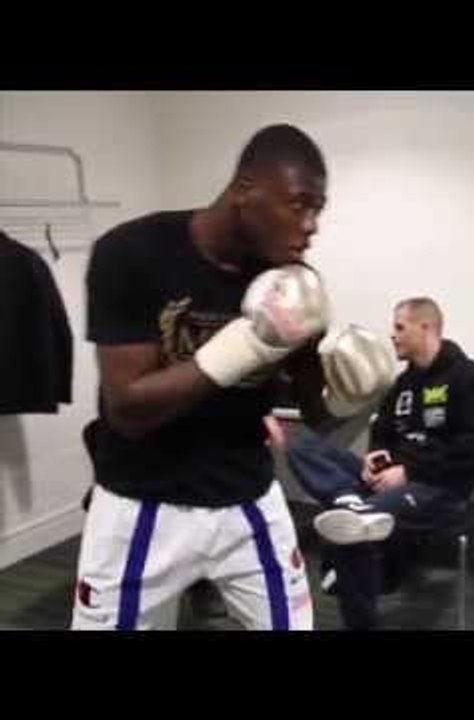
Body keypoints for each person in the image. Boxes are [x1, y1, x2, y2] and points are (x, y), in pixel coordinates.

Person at [72, 123, 392, 630]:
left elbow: (314, 413)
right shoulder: (133, 252)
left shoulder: (292, 283)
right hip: (141, 502)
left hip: (249, 500)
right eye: (299, 204)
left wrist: (349, 394)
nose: (311, 226)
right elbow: (128, 410)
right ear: (246, 189)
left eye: (318, 210)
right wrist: (247, 345)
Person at [287, 297, 474, 630]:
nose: (392, 335)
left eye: (400, 327)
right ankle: (348, 498)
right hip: (392, 481)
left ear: (425, 327)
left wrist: (409, 472)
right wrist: (375, 457)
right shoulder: (403, 384)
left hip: (441, 490)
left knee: (353, 526)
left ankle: (360, 616)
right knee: (301, 443)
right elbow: (383, 431)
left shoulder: (469, 379)